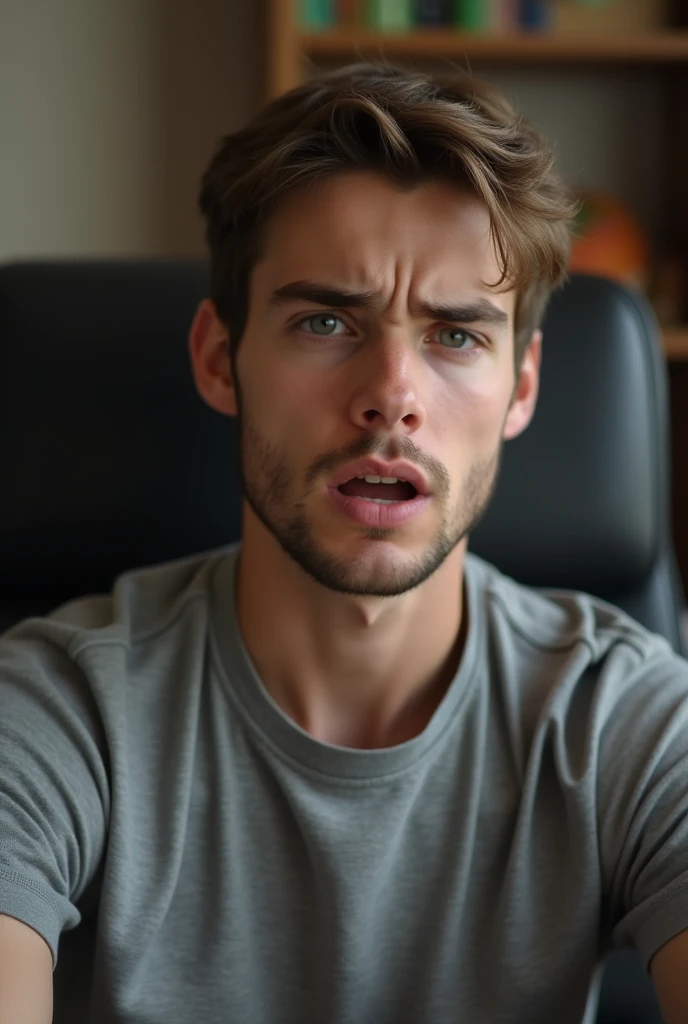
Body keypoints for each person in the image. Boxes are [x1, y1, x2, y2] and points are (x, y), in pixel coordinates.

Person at [1, 61, 688, 1024]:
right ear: (218, 358)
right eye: (326, 321)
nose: (392, 396)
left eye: (456, 336)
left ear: (523, 387)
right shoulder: (57, 712)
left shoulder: (627, 719)